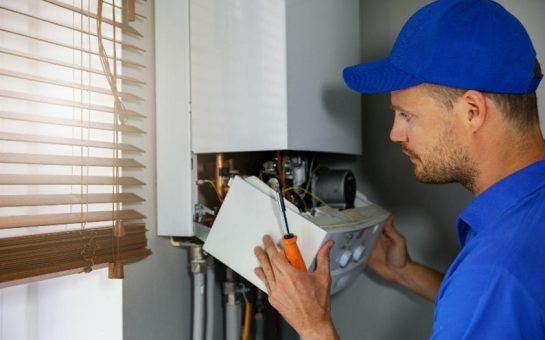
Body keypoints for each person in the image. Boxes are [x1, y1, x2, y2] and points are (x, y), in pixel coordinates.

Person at [253, 0, 545, 338]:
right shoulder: (524, 218)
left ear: (472, 111)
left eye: (407, 115)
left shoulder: (491, 275)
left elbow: (488, 294)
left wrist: (314, 325)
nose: (395, 133)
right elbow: (508, 311)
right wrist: (405, 272)